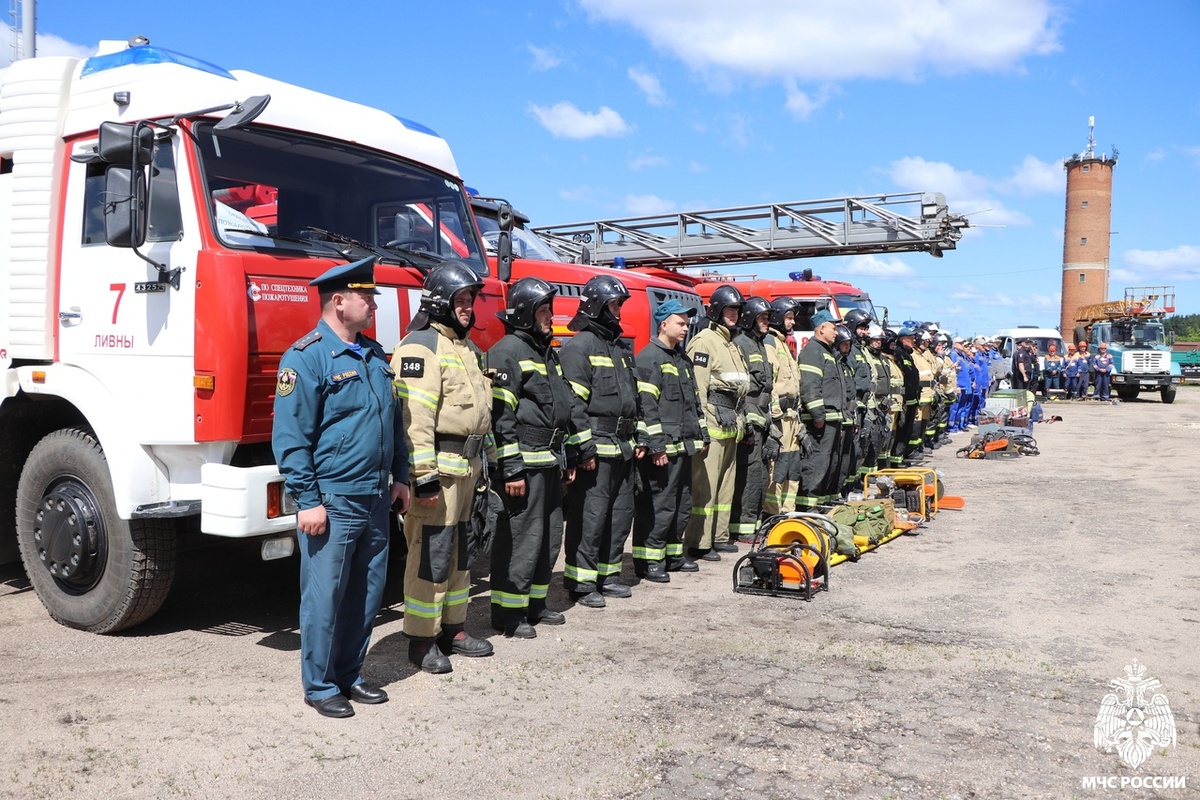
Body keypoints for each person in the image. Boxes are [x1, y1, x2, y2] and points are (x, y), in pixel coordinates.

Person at [272, 255, 410, 719]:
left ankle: (350, 674)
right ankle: (320, 685)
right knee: (325, 597)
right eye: (366, 296)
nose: (373, 303)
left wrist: (402, 477)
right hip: (333, 499)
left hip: (375, 497)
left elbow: (394, 423)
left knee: (367, 594)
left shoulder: (373, 354)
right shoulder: (306, 357)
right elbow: (291, 439)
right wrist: (307, 501)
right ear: (338, 301)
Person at [393, 262, 495, 673]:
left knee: (461, 556)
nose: (469, 308)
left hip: (468, 472)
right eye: (462, 301)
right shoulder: (420, 347)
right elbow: (413, 421)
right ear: (440, 302)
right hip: (439, 475)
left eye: (471, 301)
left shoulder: (467, 348)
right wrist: (425, 479)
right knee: (429, 558)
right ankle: (421, 639)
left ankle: (452, 629)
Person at [487, 278, 577, 638]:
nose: (549, 317)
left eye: (549, 310)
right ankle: (509, 613)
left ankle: (535, 604)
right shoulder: (506, 351)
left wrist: (566, 457)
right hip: (523, 465)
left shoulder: (545, 351)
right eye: (543, 310)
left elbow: (562, 409)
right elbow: (500, 418)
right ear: (524, 312)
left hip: (550, 461)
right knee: (520, 539)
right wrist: (511, 469)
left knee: (548, 536)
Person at [560, 276, 642, 608]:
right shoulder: (579, 346)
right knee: (590, 517)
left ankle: (608, 576)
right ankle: (581, 583)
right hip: (597, 448)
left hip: (623, 447)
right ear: (595, 306)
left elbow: (634, 398)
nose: (619, 311)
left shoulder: (620, 349)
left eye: (620, 305)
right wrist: (584, 449)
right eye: (614, 305)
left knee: (620, 514)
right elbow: (573, 404)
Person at [632, 299, 707, 581]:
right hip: (663, 450)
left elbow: (693, 402)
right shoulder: (649, 357)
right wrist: (656, 446)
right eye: (681, 322)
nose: (686, 328)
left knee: (681, 503)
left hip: (684, 447)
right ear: (664, 324)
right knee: (658, 505)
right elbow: (646, 405)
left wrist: (702, 435)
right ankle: (648, 561)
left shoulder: (682, 358)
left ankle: (672, 555)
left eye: (687, 323)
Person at [685, 285, 749, 560]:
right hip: (712, 422)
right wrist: (700, 427)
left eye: (736, 310)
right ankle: (699, 542)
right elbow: (697, 388)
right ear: (716, 311)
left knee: (725, 486)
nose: (733, 315)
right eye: (729, 309)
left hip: (731, 422)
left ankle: (719, 536)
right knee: (706, 489)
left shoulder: (731, 343)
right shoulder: (704, 341)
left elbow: (740, 387)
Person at [730, 296, 773, 543]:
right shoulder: (742, 344)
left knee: (760, 476)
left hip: (763, 422)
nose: (767, 322)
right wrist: (745, 423)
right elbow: (742, 390)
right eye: (762, 318)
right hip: (750, 423)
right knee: (748, 476)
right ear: (750, 319)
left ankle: (753, 524)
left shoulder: (760, 345)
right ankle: (743, 528)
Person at [797, 310, 845, 507]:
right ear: (822, 328)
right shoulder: (813, 352)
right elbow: (810, 386)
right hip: (820, 420)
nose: (836, 333)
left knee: (828, 463)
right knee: (815, 463)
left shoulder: (826, 352)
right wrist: (818, 415)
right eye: (833, 328)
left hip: (831, 418)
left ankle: (819, 502)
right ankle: (807, 504)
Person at [763, 297, 805, 516]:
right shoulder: (770, 342)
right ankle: (773, 511)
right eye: (789, 317)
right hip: (781, 418)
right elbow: (770, 383)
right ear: (778, 317)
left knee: (791, 466)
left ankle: (788, 510)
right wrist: (775, 419)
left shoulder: (783, 343)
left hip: (792, 418)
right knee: (776, 469)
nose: (792, 322)